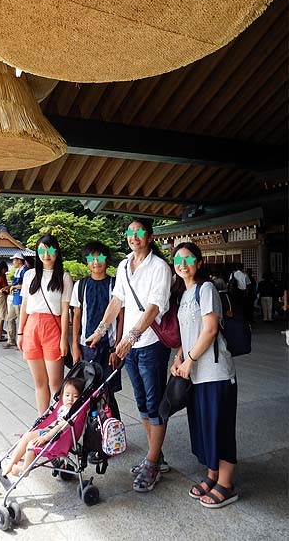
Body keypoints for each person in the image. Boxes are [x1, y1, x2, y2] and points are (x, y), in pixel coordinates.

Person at [86, 218, 172, 493]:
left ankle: (152, 461)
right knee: (141, 403)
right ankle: (154, 457)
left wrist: (130, 337)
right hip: (130, 347)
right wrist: (100, 331)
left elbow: (154, 308)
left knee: (155, 403)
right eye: (130, 232)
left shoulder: (159, 267)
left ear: (149, 236)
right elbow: (117, 301)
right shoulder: (124, 265)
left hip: (151, 343)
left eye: (139, 232)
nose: (134, 236)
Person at [171, 242, 238, 509]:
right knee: (204, 426)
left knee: (220, 427)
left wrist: (189, 360)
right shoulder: (184, 294)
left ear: (199, 263)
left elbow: (209, 330)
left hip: (215, 372)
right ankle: (212, 475)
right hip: (196, 373)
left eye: (188, 259)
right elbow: (189, 332)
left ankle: (227, 483)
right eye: (177, 259)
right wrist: (179, 358)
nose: (182, 263)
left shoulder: (206, 288)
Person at [18, 235, 73, 415]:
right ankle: (42, 422)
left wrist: (64, 339)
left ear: (57, 252)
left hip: (53, 328)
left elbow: (65, 311)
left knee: (56, 383)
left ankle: (59, 424)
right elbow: (25, 306)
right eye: (42, 250)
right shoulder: (29, 275)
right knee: (39, 383)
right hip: (31, 328)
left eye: (50, 250)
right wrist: (20, 333)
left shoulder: (64, 277)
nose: (46, 254)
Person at [71, 241, 123, 419]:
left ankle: (113, 435)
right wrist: (75, 346)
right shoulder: (80, 286)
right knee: (87, 391)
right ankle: (92, 434)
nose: (96, 262)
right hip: (87, 347)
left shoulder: (115, 285)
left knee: (108, 392)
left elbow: (121, 316)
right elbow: (76, 316)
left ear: (107, 261)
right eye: (91, 259)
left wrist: (117, 346)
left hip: (109, 348)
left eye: (100, 257)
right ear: (86, 263)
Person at [2, 377, 84, 478]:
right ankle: (12, 463)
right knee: (27, 436)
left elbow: (59, 427)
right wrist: (44, 430)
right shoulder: (63, 408)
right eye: (67, 395)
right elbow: (56, 422)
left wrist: (44, 437)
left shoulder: (74, 414)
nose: (70, 399)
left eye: (75, 396)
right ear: (62, 395)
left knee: (32, 445)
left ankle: (24, 470)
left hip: (58, 439)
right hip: (50, 433)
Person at [5, 252, 27, 349]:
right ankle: (11, 340)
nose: (13, 262)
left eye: (14, 260)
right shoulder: (18, 271)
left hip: (21, 300)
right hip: (15, 299)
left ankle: (23, 342)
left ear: (19, 260)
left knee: (22, 321)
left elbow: (27, 285)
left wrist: (14, 287)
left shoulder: (25, 271)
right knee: (10, 319)